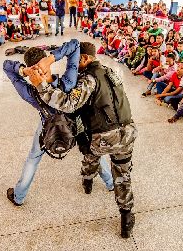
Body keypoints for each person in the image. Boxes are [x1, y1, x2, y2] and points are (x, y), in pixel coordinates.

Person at [29, 41, 137, 238]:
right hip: (128, 132)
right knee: (123, 175)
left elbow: (68, 104)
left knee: (90, 155)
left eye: (77, 61)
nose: (74, 65)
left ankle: (87, 180)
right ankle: (126, 217)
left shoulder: (88, 78)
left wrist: (41, 86)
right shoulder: (110, 71)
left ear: (85, 58)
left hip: (103, 136)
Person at [3, 39, 114, 206]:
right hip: (76, 123)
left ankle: (19, 196)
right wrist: (51, 58)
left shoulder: (30, 93)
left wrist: (24, 71)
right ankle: (110, 182)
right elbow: (75, 45)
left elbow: (6, 66)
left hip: (48, 126)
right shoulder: (68, 81)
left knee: (33, 159)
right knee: (92, 152)